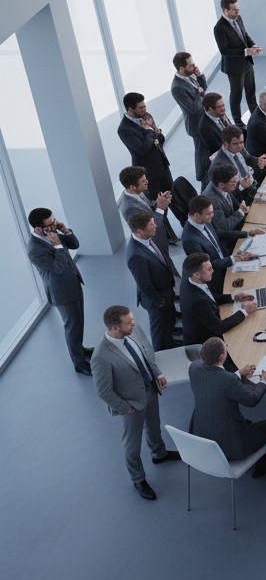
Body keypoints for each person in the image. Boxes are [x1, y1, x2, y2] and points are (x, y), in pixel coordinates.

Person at [91, 306, 177, 500]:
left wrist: (158, 373)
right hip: (130, 405)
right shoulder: (100, 357)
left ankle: (159, 453)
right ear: (115, 328)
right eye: (129, 322)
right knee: (132, 444)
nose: (134, 324)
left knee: (154, 426)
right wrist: (125, 407)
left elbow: (145, 355)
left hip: (150, 390)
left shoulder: (132, 331)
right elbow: (103, 391)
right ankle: (138, 479)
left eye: (132, 320)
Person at [188, 337, 266, 475]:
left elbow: (216, 381)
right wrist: (264, 381)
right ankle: (262, 466)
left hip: (202, 439)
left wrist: (238, 374)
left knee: (249, 422)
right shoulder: (227, 379)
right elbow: (251, 400)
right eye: (225, 347)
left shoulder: (194, 368)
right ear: (222, 357)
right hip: (232, 445)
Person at [26, 207, 91, 374]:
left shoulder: (52, 232)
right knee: (72, 326)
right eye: (51, 223)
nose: (55, 224)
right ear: (39, 228)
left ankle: (80, 349)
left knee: (79, 322)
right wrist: (57, 246)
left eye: (54, 220)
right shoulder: (34, 250)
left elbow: (74, 244)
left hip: (73, 282)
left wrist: (65, 231)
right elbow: (57, 269)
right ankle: (79, 364)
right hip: (62, 291)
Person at [181, 195, 257, 298]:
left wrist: (247, 233)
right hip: (218, 277)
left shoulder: (204, 221)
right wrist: (232, 259)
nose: (212, 215)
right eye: (209, 213)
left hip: (227, 263)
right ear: (197, 215)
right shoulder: (189, 239)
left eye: (212, 212)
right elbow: (207, 266)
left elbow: (219, 233)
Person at [125, 211, 178, 352]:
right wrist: (160, 301)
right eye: (151, 224)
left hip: (166, 292)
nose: (155, 226)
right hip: (157, 301)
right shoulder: (135, 255)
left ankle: (170, 343)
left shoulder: (147, 239)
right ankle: (162, 355)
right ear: (139, 231)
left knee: (169, 323)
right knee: (159, 331)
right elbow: (145, 285)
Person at [179, 253, 256, 347]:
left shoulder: (191, 278)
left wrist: (233, 297)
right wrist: (245, 311)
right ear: (197, 274)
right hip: (206, 342)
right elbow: (220, 327)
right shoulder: (197, 302)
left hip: (209, 323)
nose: (213, 270)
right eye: (209, 269)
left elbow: (209, 296)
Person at [213, 0, 262, 124]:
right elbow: (224, 51)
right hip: (234, 68)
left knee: (251, 91)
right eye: (234, 9)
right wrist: (246, 51)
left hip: (247, 63)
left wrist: (253, 46)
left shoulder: (238, 18)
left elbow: (244, 35)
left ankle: (257, 116)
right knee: (237, 95)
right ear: (225, 10)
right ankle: (238, 122)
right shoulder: (219, 28)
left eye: (238, 9)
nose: (238, 12)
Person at [117, 92, 172, 199]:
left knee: (172, 198)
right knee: (156, 204)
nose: (144, 110)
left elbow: (160, 138)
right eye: (141, 108)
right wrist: (150, 132)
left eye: (145, 106)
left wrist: (154, 135)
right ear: (130, 109)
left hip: (163, 166)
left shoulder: (146, 116)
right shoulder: (124, 129)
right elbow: (143, 149)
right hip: (147, 173)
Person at [117, 165, 174, 252]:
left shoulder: (137, 191)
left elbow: (149, 206)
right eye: (143, 181)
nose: (147, 181)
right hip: (153, 243)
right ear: (132, 187)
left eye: (145, 179)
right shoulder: (130, 209)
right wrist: (160, 207)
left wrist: (159, 200)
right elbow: (146, 228)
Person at [210, 125, 266, 196]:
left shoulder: (239, 147)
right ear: (225, 144)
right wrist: (241, 186)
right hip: (242, 196)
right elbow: (223, 192)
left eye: (241, 142)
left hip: (253, 185)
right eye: (235, 144)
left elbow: (248, 159)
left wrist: (258, 161)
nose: (240, 146)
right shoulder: (218, 165)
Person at [170, 51, 208, 142]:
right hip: (197, 125)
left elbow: (204, 87)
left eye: (193, 64)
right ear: (182, 69)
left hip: (205, 118)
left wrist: (199, 76)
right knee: (203, 153)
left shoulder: (191, 74)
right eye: (191, 65)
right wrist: (199, 91)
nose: (194, 67)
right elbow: (194, 108)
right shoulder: (177, 88)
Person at [195, 92, 232, 185]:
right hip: (214, 162)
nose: (223, 108)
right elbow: (218, 148)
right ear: (210, 109)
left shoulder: (220, 114)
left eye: (223, 105)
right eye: (220, 107)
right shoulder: (205, 127)